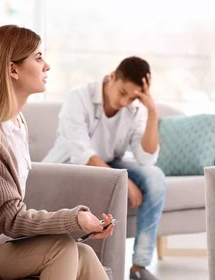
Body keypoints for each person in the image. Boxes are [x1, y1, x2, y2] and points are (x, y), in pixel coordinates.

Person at [0, 25, 114, 280]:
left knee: (83, 253)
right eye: (38, 57)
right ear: (13, 69)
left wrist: (79, 221)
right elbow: (12, 219)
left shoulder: (16, 123)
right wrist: (76, 218)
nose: (47, 66)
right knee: (60, 248)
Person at [43, 56, 165, 280]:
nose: (125, 102)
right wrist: (123, 181)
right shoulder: (79, 96)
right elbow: (81, 152)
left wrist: (152, 113)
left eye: (132, 98)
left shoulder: (136, 109)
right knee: (103, 177)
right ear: (112, 77)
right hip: (69, 164)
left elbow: (146, 158)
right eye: (122, 93)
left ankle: (139, 268)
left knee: (155, 177)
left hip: (109, 163)